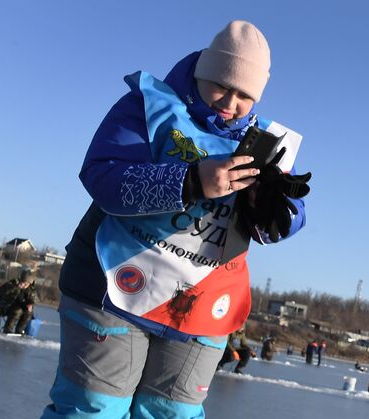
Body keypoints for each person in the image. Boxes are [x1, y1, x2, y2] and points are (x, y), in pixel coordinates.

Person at [42, 20, 310, 418]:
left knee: (172, 413)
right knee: (93, 409)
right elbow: (102, 174)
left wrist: (273, 210)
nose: (230, 102)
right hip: (113, 285)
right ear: (202, 72)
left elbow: (287, 218)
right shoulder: (150, 107)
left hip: (201, 306)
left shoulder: (268, 144)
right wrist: (191, 181)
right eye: (221, 85)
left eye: (244, 95)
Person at [0, 268, 36, 334]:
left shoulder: (30, 289)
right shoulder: (12, 284)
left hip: (22, 306)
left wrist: (31, 304)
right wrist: (16, 287)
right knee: (17, 311)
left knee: (29, 313)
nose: (25, 285)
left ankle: (19, 330)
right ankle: (8, 328)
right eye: (24, 283)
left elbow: (33, 298)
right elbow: (3, 292)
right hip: (8, 306)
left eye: (27, 284)